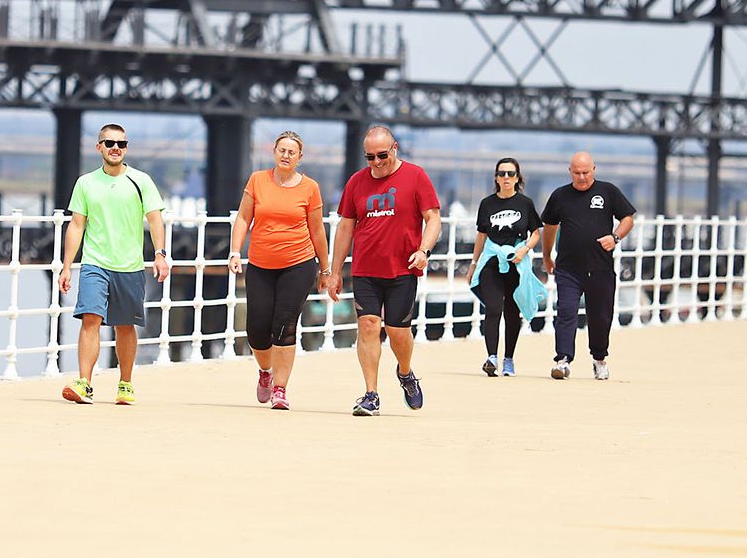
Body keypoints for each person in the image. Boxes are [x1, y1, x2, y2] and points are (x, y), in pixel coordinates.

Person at [326, 126, 442, 417]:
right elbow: (345, 228)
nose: (376, 162)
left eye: (381, 155)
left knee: (397, 332)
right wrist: (334, 271)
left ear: (394, 148)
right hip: (366, 269)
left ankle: (405, 372)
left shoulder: (416, 176)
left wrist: (424, 251)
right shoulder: (356, 182)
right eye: (370, 157)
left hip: (403, 268)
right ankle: (371, 395)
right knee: (368, 325)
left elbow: (433, 218)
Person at [59, 124, 171, 405]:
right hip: (94, 263)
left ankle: (125, 383)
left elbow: (155, 219)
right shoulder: (86, 183)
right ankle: (84, 384)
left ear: (126, 148)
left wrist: (160, 254)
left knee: (124, 325)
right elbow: (76, 225)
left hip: (129, 265)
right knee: (90, 318)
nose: (116, 148)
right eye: (109, 143)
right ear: (99, 147)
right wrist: (67, 266)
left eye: (121, 144)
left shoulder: (141, 181)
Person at [227, 131, 331, 411]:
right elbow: (243, 217)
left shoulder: (310, 188)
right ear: (274, 152)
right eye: (282, 150)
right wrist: (235, 251)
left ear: (300, 157)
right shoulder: (257, 180)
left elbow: (317, 230)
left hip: (298, 264)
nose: (286, 155)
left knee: (284, 326)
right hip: (261, 264)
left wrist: (325, 268)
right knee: (257, 330)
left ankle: (280, 389)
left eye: (291, 152)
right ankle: (266, 372)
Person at [540, 152, 635, 381]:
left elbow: (628, 218)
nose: (582, 177)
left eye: (585, 172)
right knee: (566, 313)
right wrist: (547, 256)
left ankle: (599, 359)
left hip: (600, 268)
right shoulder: (560, 195)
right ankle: (563, 360)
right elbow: (549, 227)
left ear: (594, 169)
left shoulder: (608, 191)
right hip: (568, 269)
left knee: (600, 317)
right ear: (569, 171)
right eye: (577, 173)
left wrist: (615, 237)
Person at [465, 157, 543, 377]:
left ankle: (508, 359)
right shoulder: (487, 204)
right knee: (493, 308)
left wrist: (524, 249)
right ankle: (492, 357)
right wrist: (473, 264)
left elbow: (536, 233)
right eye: (501, 173)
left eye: (510, 173)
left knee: (512, 311)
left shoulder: (525, 203)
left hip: (516, 263)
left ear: (517, 178)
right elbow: (481, 236)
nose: (506, 177)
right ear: (496, 178)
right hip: (491, 262)